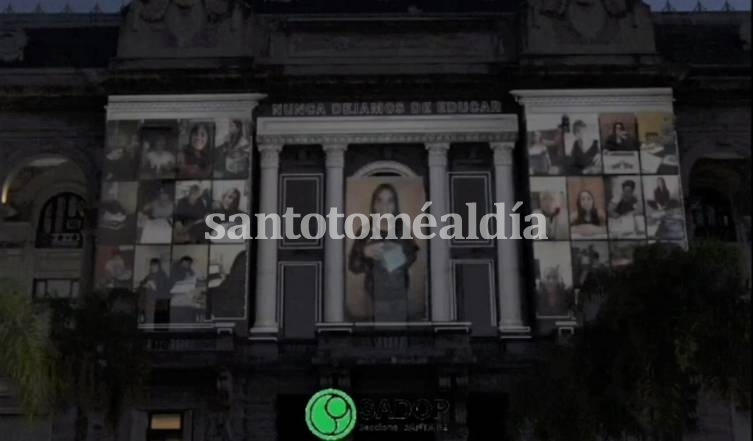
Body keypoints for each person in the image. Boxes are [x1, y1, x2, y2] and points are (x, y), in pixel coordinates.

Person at [348, 183, 419, 321]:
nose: (384, 206)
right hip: (374, 297)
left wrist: (397, 257)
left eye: (389, 201)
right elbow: (353, 267)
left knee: (399, 336)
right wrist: (363, 252)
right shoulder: (364, 231)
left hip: (400, 295)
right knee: (376, 336)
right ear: (374, 205)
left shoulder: (403, 229)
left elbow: (412, 256)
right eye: (379, 200)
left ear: (395, 205)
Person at [137, 258, 170, 324]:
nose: (152, 267)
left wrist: (155, 287)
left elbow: (165, 291)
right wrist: (144, 285)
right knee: (148, 322)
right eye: (151, 265)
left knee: (155, 324)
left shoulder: (163, 276)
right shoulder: (149, 275)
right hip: (148, 304)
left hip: (157, 305)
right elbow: (141, 284)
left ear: (159, 266)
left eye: (155, 265)